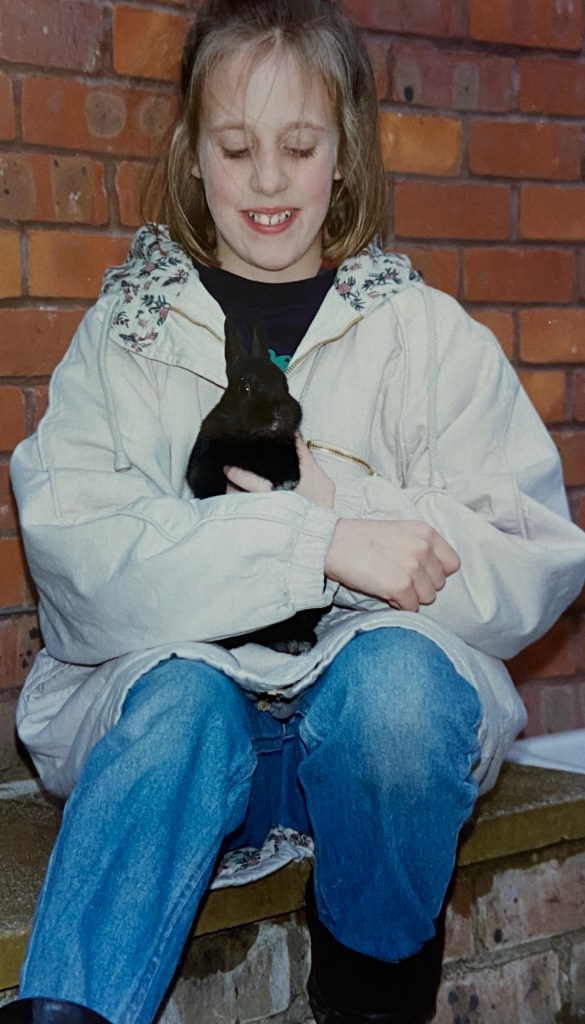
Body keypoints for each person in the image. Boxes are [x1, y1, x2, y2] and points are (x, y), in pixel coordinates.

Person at [5, 1, 585, 1022]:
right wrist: (317, 541)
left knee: (399, 694)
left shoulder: (422, 336)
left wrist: (345, 497)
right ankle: (73, 1008)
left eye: (299, 145)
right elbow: (79, 565)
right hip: (184, 736)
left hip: (360, 757)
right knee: (183, 703)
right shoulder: (125, 337)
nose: (268, 180)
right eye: (237, 148)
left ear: (344, 155)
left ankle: (367, 996)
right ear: (192, 156)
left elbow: (534, 553)